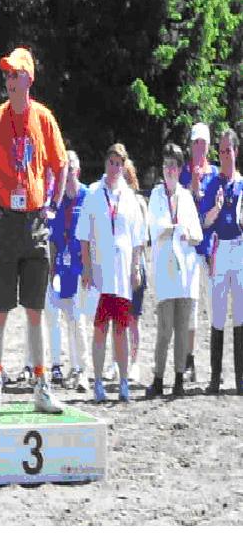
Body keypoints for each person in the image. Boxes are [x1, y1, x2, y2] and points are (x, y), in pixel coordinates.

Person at [0, 47, 68, 414]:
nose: (10, 81)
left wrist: (53, 205)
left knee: (35, 310)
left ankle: (41, 385)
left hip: (36, 221)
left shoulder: (44, 119)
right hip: (7, 222)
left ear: (29, 79)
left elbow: (60, 165)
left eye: (16, 74)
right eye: (7, 75)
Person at [77, 143, 147, 403]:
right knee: (100, 329)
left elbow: (138, 238)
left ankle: (124, 381)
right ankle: (97, 382)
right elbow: (83, 235)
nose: (115, 168)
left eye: (119, 163)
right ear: (105, 164)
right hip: (99, 273)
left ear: (124, 165)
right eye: (111, 162)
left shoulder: (130, 197)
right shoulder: (94, 193)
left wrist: (136, 267)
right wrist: (85, 266)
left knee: (122, 328)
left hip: (122, 274)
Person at [145, 143, 203, 398]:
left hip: (186, 273)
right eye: (166, 164)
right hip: (164, 272)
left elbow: (197, 234)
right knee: (164, 328)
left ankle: (179, 378)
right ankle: (158, 378)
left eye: (174, 165)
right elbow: (155, 227)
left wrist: (185, 232)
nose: (169, 169)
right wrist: (175, 228)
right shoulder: (157, 196)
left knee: (182, 327)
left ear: (180, 169)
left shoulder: (187, 197)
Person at [199, 128, 243, 395]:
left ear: (236, 151)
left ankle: (240, 378)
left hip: (238, 249)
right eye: (222, 151)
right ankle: (215, 377)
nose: (225, 155)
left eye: (229, 150)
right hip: (219, 250)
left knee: (239, 314)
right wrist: (215, 207)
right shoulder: (214, 183)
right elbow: (204, 221)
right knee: (217, 314)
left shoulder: (242, 184)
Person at [45, 150, 91, 392]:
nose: (68, 173)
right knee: (57, 316)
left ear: (78, 171)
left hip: (81, 267)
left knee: (78, 320)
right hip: (61, 267)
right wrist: (52, 270)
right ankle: (61, 366)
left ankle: (82, 370)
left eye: (71, 169)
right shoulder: (58, 199)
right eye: (65, 169)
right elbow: (53, 238)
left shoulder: (87, 196)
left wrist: (89, 268)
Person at [179, 122, 218, 382]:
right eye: (196, 142)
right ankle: (189, 359)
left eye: (203, 142)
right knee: (191, 307)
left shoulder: (215, 174)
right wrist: (193, 185)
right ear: (191, 145)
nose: (200, 147)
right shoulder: (182, 173)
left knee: (214, 308)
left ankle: (216, 365)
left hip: (212, 249)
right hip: (191, 249)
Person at [122, 158, 149, 382]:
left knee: (133, 319)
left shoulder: (139, 201)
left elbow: (142, 238)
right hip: (117, 266)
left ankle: (134, 362)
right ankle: (115, 361)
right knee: (117, 316)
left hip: (135, 265)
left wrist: (137, 266)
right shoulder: (112, 201)